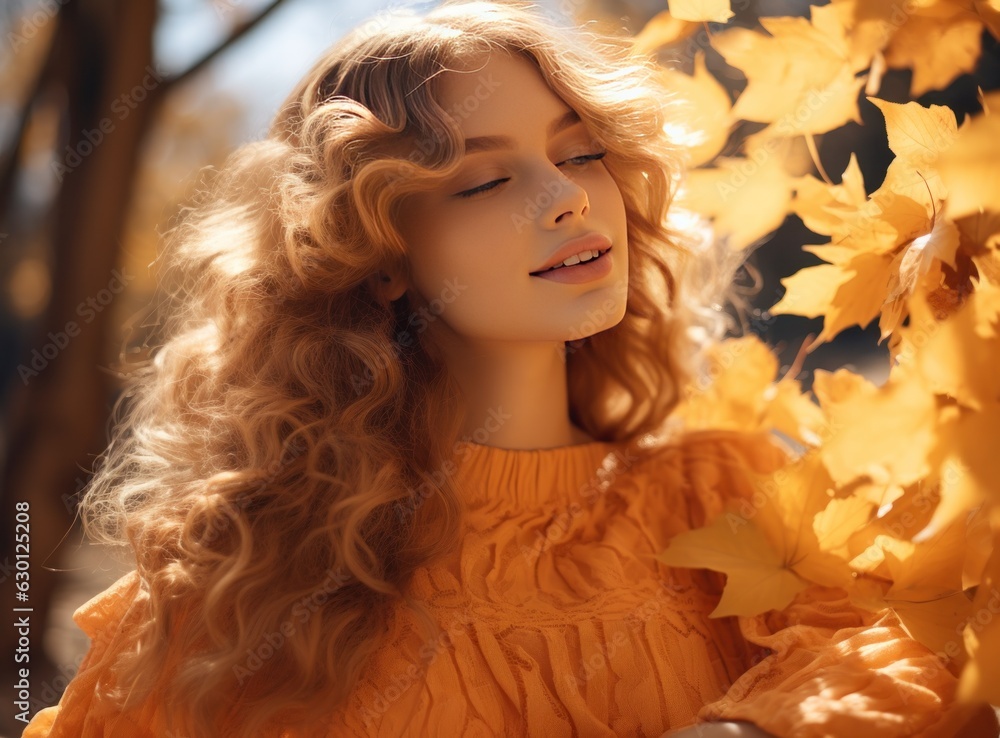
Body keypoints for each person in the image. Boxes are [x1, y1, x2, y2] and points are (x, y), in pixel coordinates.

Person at [20, 1, 1000, 737]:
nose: (566, 200)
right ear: (376, 255)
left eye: (579, 156)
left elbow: (900, 650)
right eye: (487, 179)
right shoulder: (230, 585)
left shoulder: (716, 490)